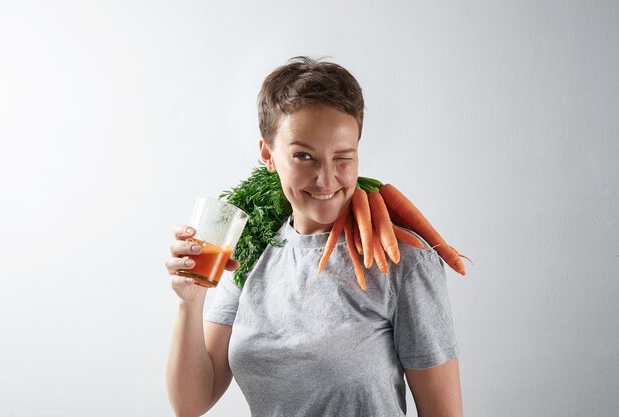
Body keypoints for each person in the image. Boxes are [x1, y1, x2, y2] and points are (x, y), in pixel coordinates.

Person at [165, 56, 463, 417]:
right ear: (268, 155)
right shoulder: (252, 247)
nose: (325, 179)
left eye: (342, 157)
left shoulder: (402, 262)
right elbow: (191, 403)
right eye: (304, 156)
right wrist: (190, 301)